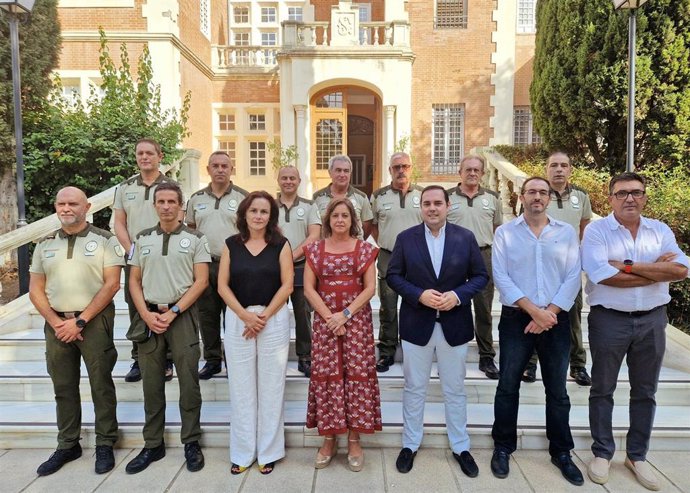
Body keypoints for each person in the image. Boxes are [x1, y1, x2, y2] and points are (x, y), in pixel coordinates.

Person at [582, 172, 689, 490]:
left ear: (644, 196)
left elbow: (681, 269)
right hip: (609, 320)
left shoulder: (660, 231)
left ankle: (637, 456)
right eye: (622, 193)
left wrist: (627, 266)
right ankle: (602, 452)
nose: (630, 198)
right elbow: (602, 275)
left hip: (652, 320)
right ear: (611, 197)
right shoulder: (597, 232)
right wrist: (656, 269)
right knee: (602, 388)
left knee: (646, 391)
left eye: (636, 192)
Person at [387, 185, 488, 477]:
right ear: (421, 207)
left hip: (454, 324)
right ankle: (410, 444)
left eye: (437, 203)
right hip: (417, 323)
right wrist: (418, 294)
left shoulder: (465, 238)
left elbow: (480, 276)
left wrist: (457, 295)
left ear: (448, 206)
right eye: (427, 203)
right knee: (414, 388)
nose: (432, 208)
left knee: (454, 389)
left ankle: (461, 446)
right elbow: (393, 275)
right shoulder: (406, 239)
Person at [490, 177, 583, 485]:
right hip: (517, 318)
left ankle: (562, 452)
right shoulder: (505, 233)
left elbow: (573, 275)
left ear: (548, 197)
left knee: (557, 390)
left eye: (543, 192)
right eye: (532, 191)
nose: (538, 197)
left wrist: (550, 313)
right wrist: (534, 311)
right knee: (507, 385)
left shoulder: (565, 232)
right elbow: (501, 276)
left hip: (556, 321)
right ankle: (503, 447)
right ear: (522, 196)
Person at [29, 187, 123, 476]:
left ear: (87, 207)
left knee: (101, 384)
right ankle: (68, 443)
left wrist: (80, 321)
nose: (66, 208)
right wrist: (58, 323)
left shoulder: (105, 240)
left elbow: (112, 285)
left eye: (73, 203)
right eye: (61, 203)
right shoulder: (45, 244)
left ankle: (105, 442)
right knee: (63, 387)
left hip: (93, 323)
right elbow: (35, 289)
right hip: (56, 324)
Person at [125, 182, 209, 474]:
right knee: (151, 383)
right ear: (154, 206)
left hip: (181, 316)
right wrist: (146, 315)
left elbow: (201, 281)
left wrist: (173, 311)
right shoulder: (142, 238)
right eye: (160, 201)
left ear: (180, 206)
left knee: (188, 382)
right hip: (149, 317)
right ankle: (153, 444)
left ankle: (191, 441)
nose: (166, 206)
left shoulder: (196, 238)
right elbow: (133, 280)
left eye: (172, 201)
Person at [218, 191, 294, 475]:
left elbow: (287, 285)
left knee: (272, 387)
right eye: (254, 211)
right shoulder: (231, 245)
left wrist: (262, 316)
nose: (259, 216)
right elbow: (222, 285)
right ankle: (242, 451)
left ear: (271, 216)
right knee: (241, 388)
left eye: (264, 211)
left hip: (272, 319)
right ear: (244, 214)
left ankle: (268, 451)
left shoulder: (281, 245)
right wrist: (244, 315)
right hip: (239, 319)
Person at [303, 198, 381, 472]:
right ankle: (329, 437)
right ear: (327, 220)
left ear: (353, 221)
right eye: (335, 215)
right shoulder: (314, 250)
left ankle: (354, 438)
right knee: (328, 377)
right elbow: (309, 289)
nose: (339, 220)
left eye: (345, 216)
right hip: (325, 324)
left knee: (356, 376)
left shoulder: (364, 250)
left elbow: (370, 288)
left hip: (355, 322)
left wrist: (344, 315)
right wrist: (329, 317)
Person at [522, 151, 592, 386]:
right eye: (554, 165)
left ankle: (578, 365)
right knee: (532, 312)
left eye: (564, 165)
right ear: (547, 169)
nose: (559, 169)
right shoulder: (537, 195)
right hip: (537, 266)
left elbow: (584, 229)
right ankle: (530, 364)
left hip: (568, 269)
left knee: (572, 317)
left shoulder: (581, 196)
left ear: (570, 169)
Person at [113, 138, 178, 382]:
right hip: (135, 258)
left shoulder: (172, 186)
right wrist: (131, 251)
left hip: (165, 255)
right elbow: (119, 223)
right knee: (136, 307)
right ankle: (139, 359)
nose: (144, 157)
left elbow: (178, 219)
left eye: (150, 153)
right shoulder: (125, 188)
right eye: (140, 153)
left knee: (166, 303)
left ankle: (167, 359)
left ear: (160, 156)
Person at [186, 150, 249, 379]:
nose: (220, 169)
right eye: (215, 166)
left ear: (232, 169)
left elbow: (251, 232)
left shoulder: (244, 198)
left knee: (233, 315)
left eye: (225, 166)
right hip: (205, 265)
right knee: (207, 314)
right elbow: (190, 230)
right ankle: (212, 360)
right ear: (208, 169)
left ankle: (234, 360)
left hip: (234, 266)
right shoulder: (196, 199)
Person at [447, 155, 502, 379]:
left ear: (482, 173)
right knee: (452, 305)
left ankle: (486, 356)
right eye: (467, 169)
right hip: (453, 256)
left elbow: (498, 227)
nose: (472, 173)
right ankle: (451, 355)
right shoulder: (448, 197)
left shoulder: (493, 198)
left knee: (483, 308)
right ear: (460, 172)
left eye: (476, 170)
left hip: (483, 255)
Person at [370, 152, 423, 373]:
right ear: (390, 170)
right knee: (388, 307)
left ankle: (415, 350)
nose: (401, 170)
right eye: (396, 167)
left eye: (405, 166)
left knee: (416, 305)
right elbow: (372, 225)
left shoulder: (423, 195)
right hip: (388, 257)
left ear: (411, 168)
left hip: (418, 258)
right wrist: (384, 242)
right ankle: (387, 351)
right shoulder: (378, 196)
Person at [276, 166, 321, 377]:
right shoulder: (269, 206)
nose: (288, 181)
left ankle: (306, 357)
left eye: (292, 178)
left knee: (303, 312)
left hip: (302, 266)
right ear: (278, 180)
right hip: (273, 269)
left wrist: (290, 256)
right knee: (275, 313)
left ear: (299, 180)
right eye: (284, 178)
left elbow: (314, 236)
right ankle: (275, 356)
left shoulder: (310, 206)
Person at [313, 154, 373, 240]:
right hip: (327, 249)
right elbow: (314, 226)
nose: (342, 174)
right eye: (338, 170)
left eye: (346, 171)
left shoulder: (361, 197)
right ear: (330, 172)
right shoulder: (317, 198)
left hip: (354, 250)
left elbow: (367, 227)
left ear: (350, 174)